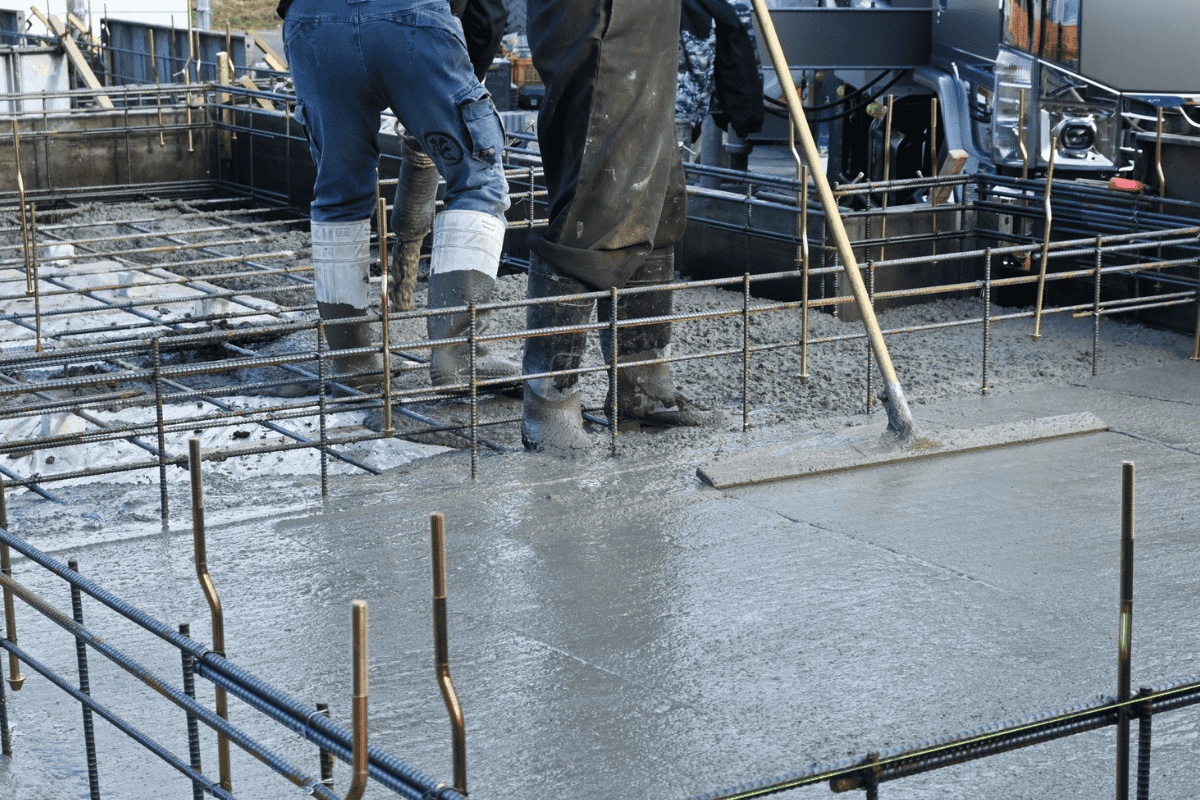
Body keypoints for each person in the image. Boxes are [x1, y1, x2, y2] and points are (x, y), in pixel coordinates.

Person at [279, 0, 517, 390]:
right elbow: (488, 11)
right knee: (476, 181)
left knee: (338, 195)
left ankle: (353, 363)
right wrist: (456, 81)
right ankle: (458, 357)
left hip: (314, 25)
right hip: (411, 19)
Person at [522, 0, 718, 453]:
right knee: (598, 193)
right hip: (599, 14)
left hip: (651, 15)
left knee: (658, 195)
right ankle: (549, 398)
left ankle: (642, 383)